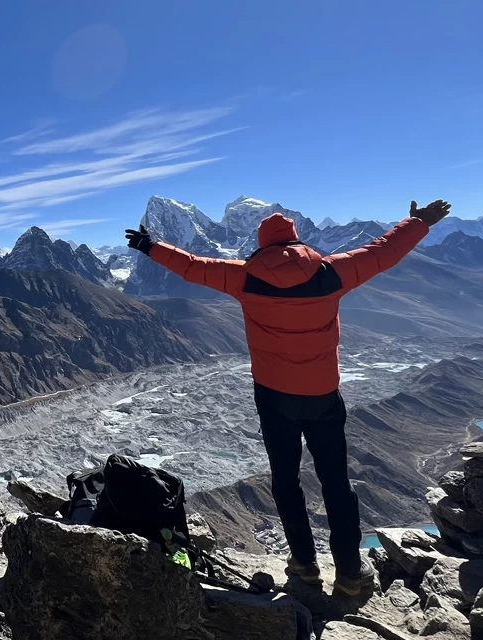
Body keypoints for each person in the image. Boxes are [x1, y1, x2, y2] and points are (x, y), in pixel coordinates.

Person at [125, 199, 451, 594]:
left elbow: (192, 267)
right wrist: (417, 223)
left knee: (285, 479)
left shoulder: (243, 276)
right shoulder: (334, 271)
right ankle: (349, 571)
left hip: (274, 396)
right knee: (336, 481)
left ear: (261, 246)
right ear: (296, 241)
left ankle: (304, 564)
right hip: (323, 395)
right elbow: (382, 253)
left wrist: (150, 247)